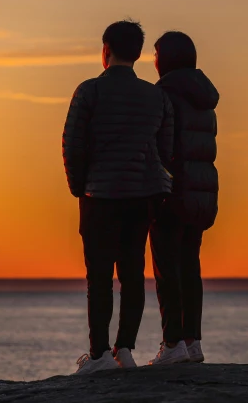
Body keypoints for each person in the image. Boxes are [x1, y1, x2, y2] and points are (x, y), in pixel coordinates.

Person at [63, 20, 174, 375]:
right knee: (132, 274)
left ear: (105, 50)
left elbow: (72, 145)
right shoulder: (155, 96)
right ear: (139, 53)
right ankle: (124, 350)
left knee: (98, 277)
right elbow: (165, 148)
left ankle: (97, 356)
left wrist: (78, 186)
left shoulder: (89, 91)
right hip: (141, 195)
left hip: (100, 194)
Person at [148, 31, 219, 366]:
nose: (153, 60)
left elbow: (160, 146)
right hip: (203, 192)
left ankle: (172, 342)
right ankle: (193, 342)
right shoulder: (203, 98)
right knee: (190, 266)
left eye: (156, 53)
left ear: (167, 58)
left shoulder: (164, 94)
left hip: (173, 191)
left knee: (167, 268)